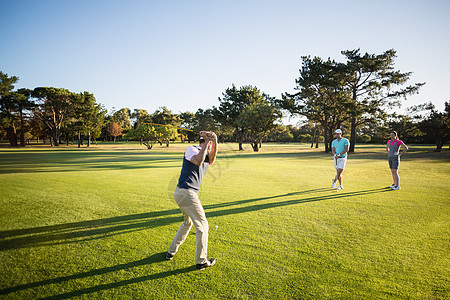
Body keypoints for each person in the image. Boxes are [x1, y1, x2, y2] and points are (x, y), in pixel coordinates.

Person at [166, 131, 218, 270]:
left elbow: (212, 158)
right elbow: (197, 161)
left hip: (184, 193)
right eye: (208, 143)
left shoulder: (206, 154)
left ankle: (171, 251)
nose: (210, 147)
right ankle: (201, 261)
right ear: (203, 142)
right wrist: (208, 141)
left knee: (187, 222)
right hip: (186, 192)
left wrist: (215, 140)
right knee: (202, 225)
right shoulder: (192, 150)